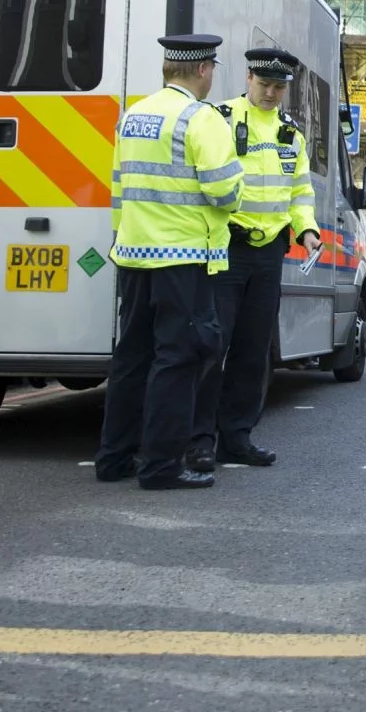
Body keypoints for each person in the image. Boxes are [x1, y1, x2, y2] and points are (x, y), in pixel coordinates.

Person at [94, 34, 242, 491]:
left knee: (132, 358)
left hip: (135, 254)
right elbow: (224, 190)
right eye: (212, 69)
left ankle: (113, 458)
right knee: (178, 360)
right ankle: (161, 465)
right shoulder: (201, 118)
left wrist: (127, 237)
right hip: (184, 256)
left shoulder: (133, 115)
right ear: (202, 70)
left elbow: (120, 188)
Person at [188, 47, 321, 472]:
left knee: (253, 350)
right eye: (264, 84)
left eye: (279, 87)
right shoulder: (221, 120)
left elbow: (300, 191)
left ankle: (238, 437)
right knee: (213, 347)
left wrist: (308, 229)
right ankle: (200, 442)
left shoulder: (290, 134)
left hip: (269, 254)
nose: (270, 93)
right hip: (228, 247)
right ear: (248, 78)